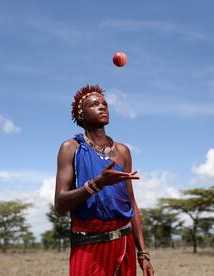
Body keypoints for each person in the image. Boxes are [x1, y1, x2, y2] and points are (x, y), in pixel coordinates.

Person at [54, 84, 155, 276]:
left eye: (104, 104)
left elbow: (131, 203)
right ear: (81, 114)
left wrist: (143, 252)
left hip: (124, 244)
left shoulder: (123, 151)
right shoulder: (71, 148)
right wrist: (97, 184)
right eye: (94, 104)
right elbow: (60, 204)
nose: (102, 107)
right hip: (89, 245)